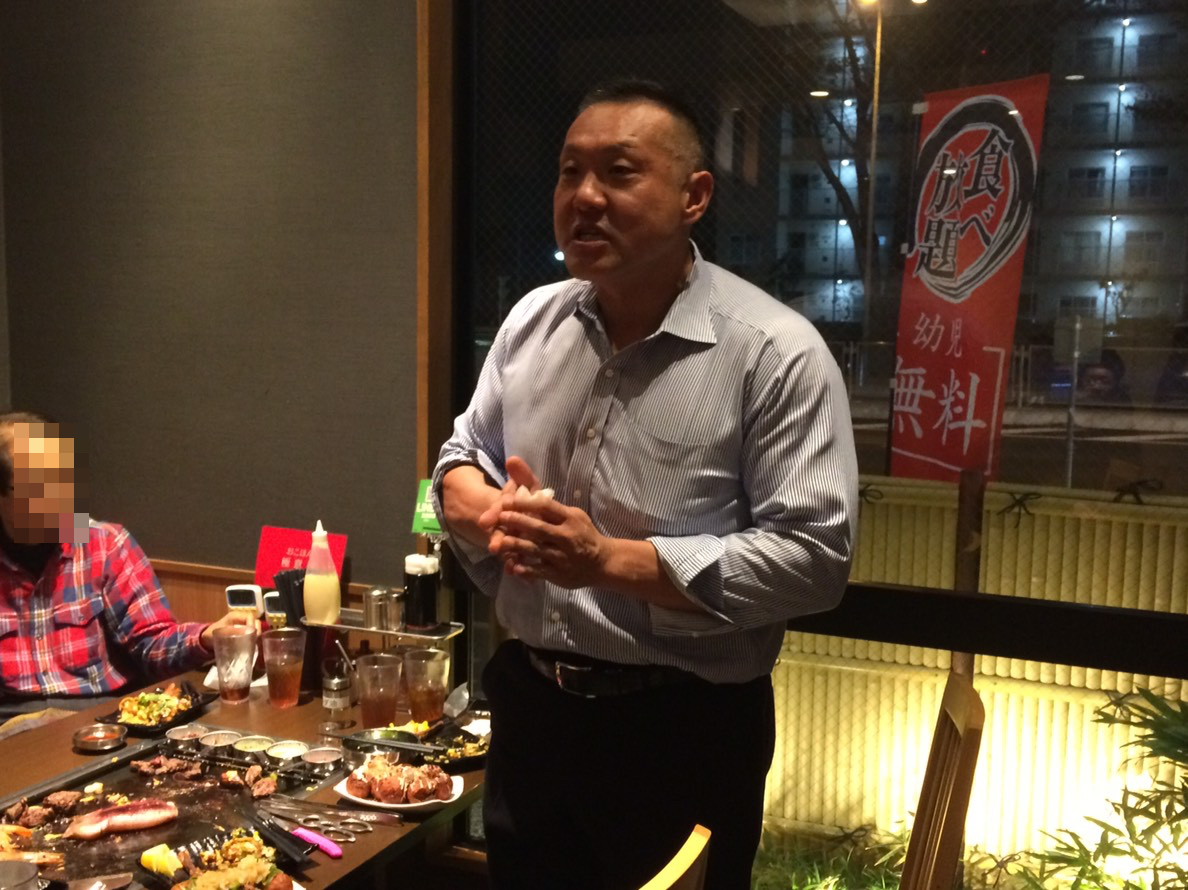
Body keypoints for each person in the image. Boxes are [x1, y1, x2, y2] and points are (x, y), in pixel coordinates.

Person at [433, 80, 858, 889]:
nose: (584, 197)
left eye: (619, 172)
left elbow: (814, 561)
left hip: (683, 731)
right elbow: (458, 459)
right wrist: (486, 509)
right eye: (569, 172)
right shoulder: (530, 324)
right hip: (532, 712)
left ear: (694, 196)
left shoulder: (774, 352)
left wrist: (603, 560)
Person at [0, 411, 256, 720]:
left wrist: (206, 637)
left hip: (98, 718)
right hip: (10, 727)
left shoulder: (104, 544)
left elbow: (152, 644)